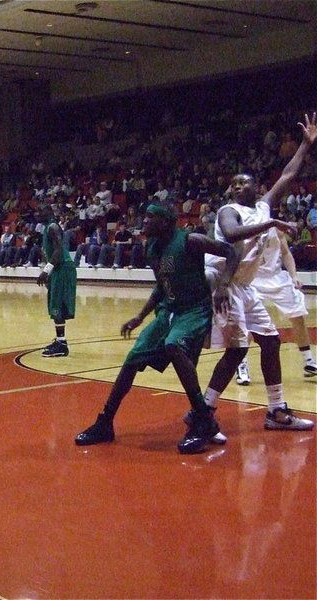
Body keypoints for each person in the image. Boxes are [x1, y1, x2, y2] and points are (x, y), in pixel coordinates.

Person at [75, 201, 239, 454]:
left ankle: (203, 419)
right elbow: (162, 286)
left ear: (165, 222)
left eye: (151, 217)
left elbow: (231, 252)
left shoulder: (191, 240)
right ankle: (105, 421)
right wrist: (140, 316)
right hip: (169, 311)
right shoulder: (151, 247)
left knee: (173, 346)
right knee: (131, 360)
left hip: (194, 310)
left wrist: (225, 285)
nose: (145, 221)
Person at [202, 112, 316, 434]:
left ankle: (276, 409)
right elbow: (233, 233)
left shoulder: (263, 206)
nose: (239, 185)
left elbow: (288, 174)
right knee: (237, 350)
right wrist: (272, 224)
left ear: (255, 187)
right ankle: (205, 410)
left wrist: (306, 146)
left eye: (245, 181)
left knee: (271, 343)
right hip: (225, 286)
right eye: (234, 183)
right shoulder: (229, 211)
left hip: (246, 286)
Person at [234, 228, 317, 385]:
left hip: (277, 277)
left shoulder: (276, 231)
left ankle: (309, 362)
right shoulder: (244, 231)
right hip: (254, 280)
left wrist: (294, 276)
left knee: (298, 316)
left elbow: (285, 253)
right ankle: (241, 365)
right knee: (246, 325)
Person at [36, 210, 77, 358]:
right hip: (58, 269)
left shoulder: (52, 227)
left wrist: (46, 271)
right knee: (54, 304)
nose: (37, 214)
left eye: (40, 210)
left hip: (63, 268)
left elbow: (59, 249)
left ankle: (62, 346)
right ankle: (60, 340)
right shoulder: (47, 228)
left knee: (57, 305)